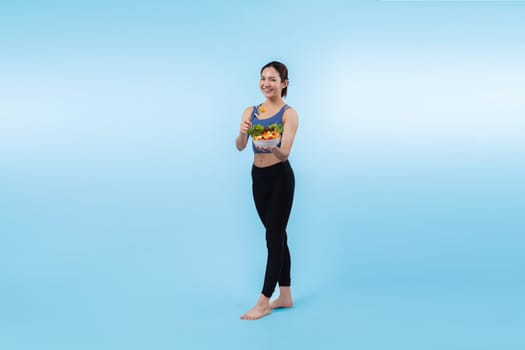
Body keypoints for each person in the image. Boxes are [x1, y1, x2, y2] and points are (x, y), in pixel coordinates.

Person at [235, 61, 299, 320]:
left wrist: (272, 144)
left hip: (280, 178)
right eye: (263, 78)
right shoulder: (250, 111)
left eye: (273, 79)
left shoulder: (289, 114)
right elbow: (240, 146)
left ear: (283, 84)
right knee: (277, 235)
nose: (266, 84)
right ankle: (285, 295)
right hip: (258, 178)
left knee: (273, 238)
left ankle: (264, 300)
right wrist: (243, 134)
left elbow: (284, 154)